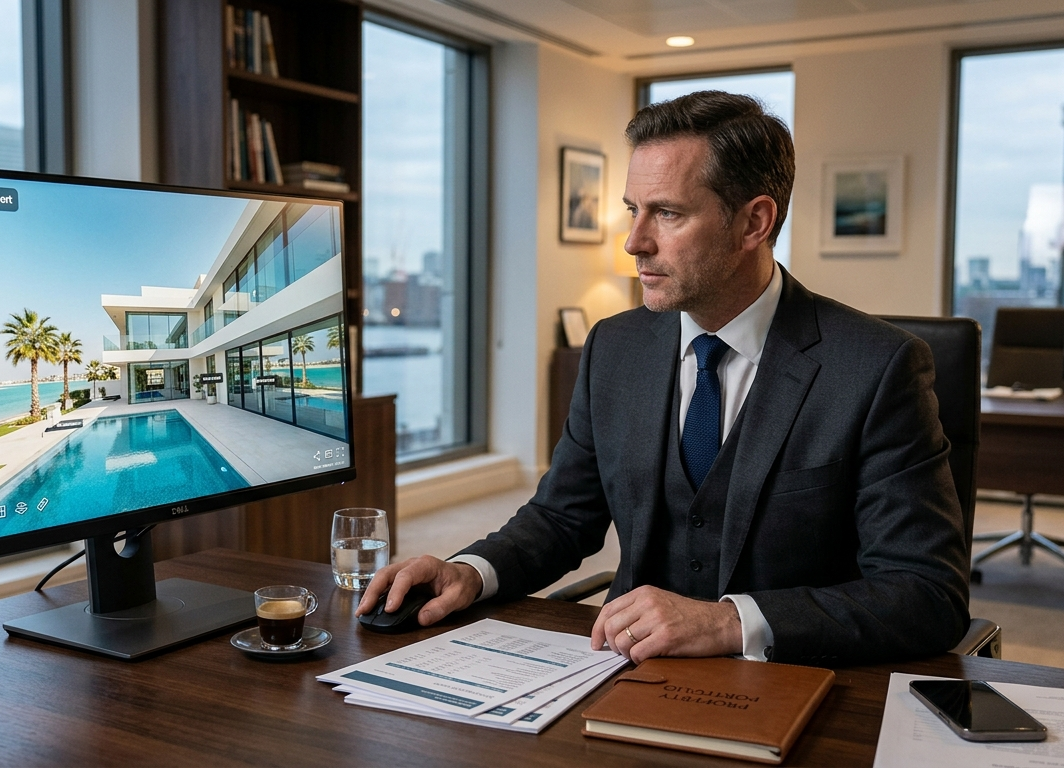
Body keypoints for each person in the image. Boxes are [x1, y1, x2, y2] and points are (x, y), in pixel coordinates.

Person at [358, 90, 969, 666]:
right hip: (622, 672)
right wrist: (471, 570)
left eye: (667, 213)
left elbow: (926, 593)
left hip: (795, 685)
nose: (632, 242)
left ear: (754, 222)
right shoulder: (613, 347)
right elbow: (562, 517)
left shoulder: (878, 366)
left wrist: (729, 622)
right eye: (633, 209)